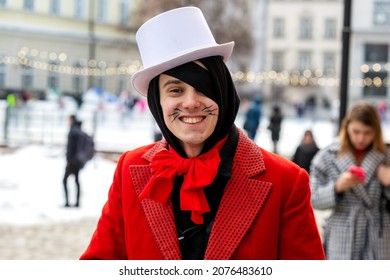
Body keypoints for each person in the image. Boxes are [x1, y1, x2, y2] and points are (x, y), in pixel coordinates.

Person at [80, 7, 324, 260]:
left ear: (224, 94)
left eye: (204, 89)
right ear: (157, 102)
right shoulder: (129, 169)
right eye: (175, 91)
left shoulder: (285, 181)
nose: (191, 102)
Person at [310, 102, 390, 259]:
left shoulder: (386, 156)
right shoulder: (327, 156)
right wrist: (337, 187)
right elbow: (312, 199)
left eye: (368, 133)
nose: (361, 138)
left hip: (380, 234)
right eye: (356, 131)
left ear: (377, 132)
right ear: (346, 127)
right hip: (343, 233)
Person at [63, 114, 83, 207]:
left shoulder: (73, 131)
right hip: (77, 161)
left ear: (72, 120)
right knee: (76, 181)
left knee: (64, 180)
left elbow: (71, 148)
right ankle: (77, 203)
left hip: (72, 161)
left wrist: (69, 160)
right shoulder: (78, 130)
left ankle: (68, 202)